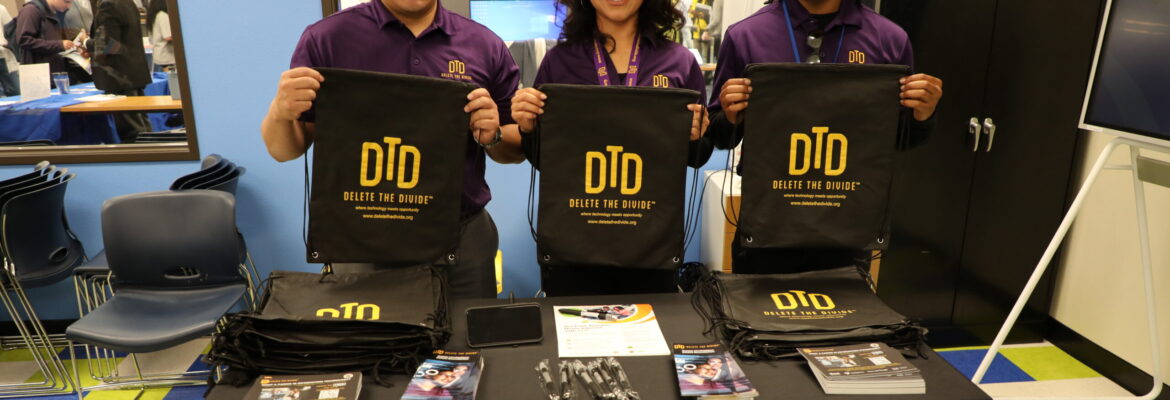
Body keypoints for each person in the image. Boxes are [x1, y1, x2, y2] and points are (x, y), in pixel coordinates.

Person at [260, 0, 523, 300]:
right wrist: (280, 111)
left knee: (468, 344)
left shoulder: (484, 44)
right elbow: (283, 150)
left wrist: (493, 135)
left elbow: (513, 148)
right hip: (362, 240)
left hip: (461, 240)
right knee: (371, 346)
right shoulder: (327, 39)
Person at [706, 0, 944, 275]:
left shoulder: (888, 39)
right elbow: (720, 137)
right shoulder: (746, 35)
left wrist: (924, 114)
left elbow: (901, 138)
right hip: (767, 230)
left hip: (847, 230)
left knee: (846, 317)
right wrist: (731, 115)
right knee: (758, 316)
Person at [509, 0, 711, 296]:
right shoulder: (559, 61)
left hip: (651, 247)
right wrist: (528, 128)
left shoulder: (679, 61)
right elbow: (544, 159)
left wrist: (696, 135)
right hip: (575, 245)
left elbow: (697, 157)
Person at [84, 0, 151, 143]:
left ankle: (142, 162)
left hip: (119, 77)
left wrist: (86, 43)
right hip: (133, 74)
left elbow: (109, 44)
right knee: (143, 128)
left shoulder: (108, 5)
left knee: (133, 132)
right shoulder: (128, 2)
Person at [13, 0, 77, 83]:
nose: (69, 6)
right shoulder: (30, 10)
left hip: (54, 71)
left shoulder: (55, 13)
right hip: (38, 75)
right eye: (66, 2)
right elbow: (24, 40)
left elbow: (52, 37)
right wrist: (59, 45)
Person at [145, 0, 172, 72]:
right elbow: (168, 36)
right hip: (167, 58)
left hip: (158, 56)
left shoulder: (153, 17)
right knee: (172, 80)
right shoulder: (163, 16)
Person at [0, 4, 20, 97]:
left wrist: (9, 43)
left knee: (16, 94)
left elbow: (12, 33)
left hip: (4, 56)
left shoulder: (1, 9)